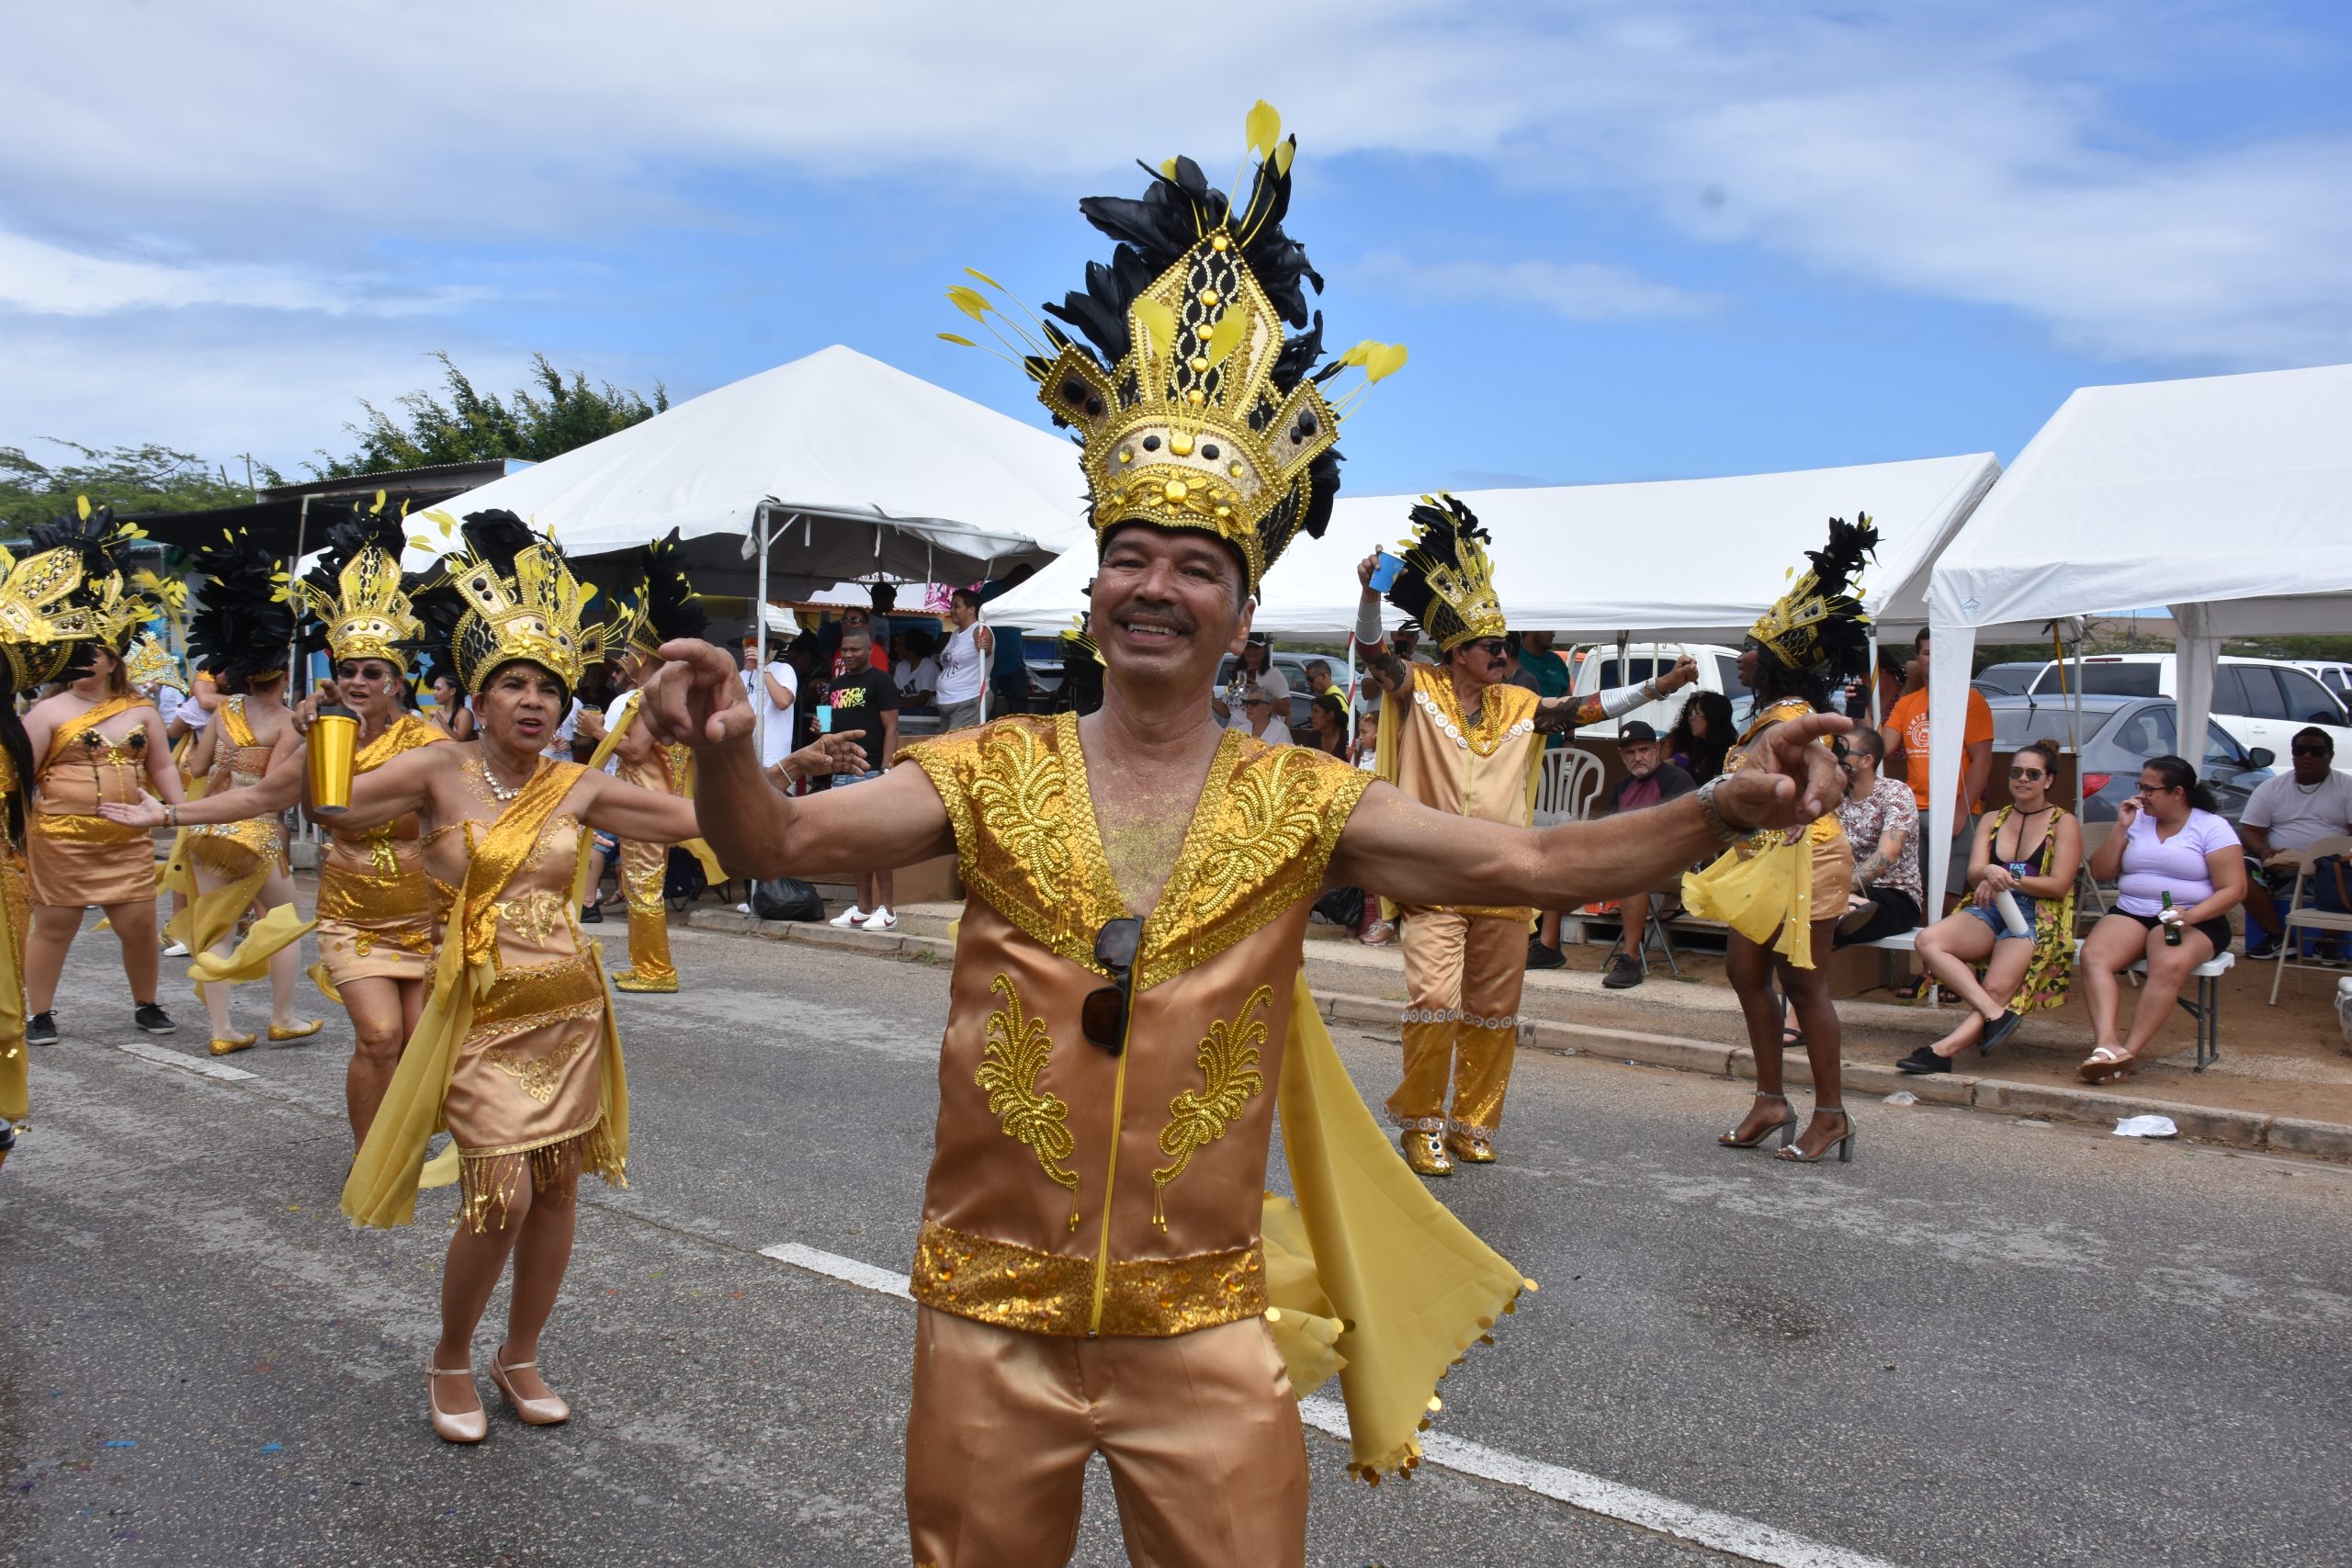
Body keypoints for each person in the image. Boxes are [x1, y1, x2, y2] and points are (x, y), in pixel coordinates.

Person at [659, 115, 1847, 1563]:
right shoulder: (985, 773)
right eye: (1131, 558)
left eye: (1196, 566)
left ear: (1237, 606)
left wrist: (1716, 808)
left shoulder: (1298, 801)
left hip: (1204, 1333)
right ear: (1096, 587)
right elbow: (777, 834)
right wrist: (726, 753)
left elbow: (1535, 869)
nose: (1155, 586)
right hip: (989, 1316)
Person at [330, 513, 739, 1446]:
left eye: (549, 689)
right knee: (498, 1195)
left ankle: (521, 1355)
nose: (533, 701)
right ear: (480, 692)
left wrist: (775, 763)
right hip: (479, 1013)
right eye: (513, 683)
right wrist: (329, 731)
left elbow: (693, 817)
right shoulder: (436, 768)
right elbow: (332, 808)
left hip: (568, 1012)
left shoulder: (577, 785)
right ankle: (449, 1355)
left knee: (557, 1192)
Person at [1358, 495, 1697, 1173]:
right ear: (1457, 651)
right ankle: (1420, 1120)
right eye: (1492, 647)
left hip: (1508, 877)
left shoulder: (1518, 705)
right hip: (1433, 873)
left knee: (1492, 1008)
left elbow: (1585, 705)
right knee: (1433, 999)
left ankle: (1473, 1121)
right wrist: (1369, 594)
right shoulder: (1418, 688)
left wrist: (1657, 687)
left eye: (1506, 646)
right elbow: (1370, 651)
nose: (1505, 655)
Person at [1682, 516, 1876, 1163]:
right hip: (1762, 857)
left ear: (1772, 660)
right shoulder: (1769, 713)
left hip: (1806, 854)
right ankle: (1770, 1099)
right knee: (1743, 970)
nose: (1740, 656)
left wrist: (1818, 796)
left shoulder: (1793, 715)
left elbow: (1826, 770)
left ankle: (1831, 1114)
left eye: (1748, 648)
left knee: (1805, 983)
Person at [21, 502, 185, 1046]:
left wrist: (182, 814)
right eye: (79, 653)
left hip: (127, 835)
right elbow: (20, 774)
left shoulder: (140, 710)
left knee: (138, 926)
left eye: (99, 652)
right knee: (55, 926)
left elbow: (160, 763)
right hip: (62, 837)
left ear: (115, 658)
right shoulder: (46, 713)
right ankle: (40, 1013)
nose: (89, 661)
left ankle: (147, 1003)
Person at [0, 525, 130, 1165]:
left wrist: (167, 811)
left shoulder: (14, 729)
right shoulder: (41, 717)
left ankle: (148, 1000)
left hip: (35, 868)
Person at [164, 527, 322, 1055]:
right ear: (281, 676)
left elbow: (198, 763)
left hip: (208, 827)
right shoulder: (284, 722)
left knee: (216, 928)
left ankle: (221, 1030)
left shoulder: (222, 712)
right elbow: (274, 792)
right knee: (281, 922)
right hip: (255, 830)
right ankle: (283, 1017)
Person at [1894, 739, 2082, 1071]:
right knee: (1929, 941)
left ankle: (1942, 1052)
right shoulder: (1993, 818)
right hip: (1991, 905)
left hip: (2036, 914)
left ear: (2049, 780)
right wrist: (1989, 872)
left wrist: (2004, 878)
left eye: (2033, 774)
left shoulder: (2063, 822)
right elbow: (1973, 871)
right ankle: (1997, 1015)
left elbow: (2059, 886)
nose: (2023, 779)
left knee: (1996, 985)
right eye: (2016, 772)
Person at [593, 533, 726, 994]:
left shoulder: (649, 697)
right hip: (647, 799)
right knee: (637, 884)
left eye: (629, 652)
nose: (623, 659)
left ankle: (656, 970)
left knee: (644, 886)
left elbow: (633, 751)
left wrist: (594, 732)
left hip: (647, 802)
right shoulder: (662, 694)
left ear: (644, 656)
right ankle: (643, 963)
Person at [2075, 755, 2246, 1081]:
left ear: (2178, 793)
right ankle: (2106, 1045)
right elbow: (2101, 872)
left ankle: (2128, 1052)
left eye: (2150, 789)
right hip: (2133, 909)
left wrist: (2191, 915)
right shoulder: (2137, 820)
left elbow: (2234, 889)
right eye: (2140, 787)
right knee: (2094, 956)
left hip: (2195, 916)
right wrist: (2120, 828)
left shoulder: (2210, 826)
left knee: (2166, 962)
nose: (2142, 795)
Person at [1883, 627, 1995, 912]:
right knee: (1916, 894)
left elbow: (1982, 759)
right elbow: (1880, 748)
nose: (1933, 659)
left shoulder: (1971, 699)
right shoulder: (1907, 703)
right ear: (1918, 658)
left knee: (1949, 895)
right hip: (1914, 809)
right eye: (1928, 653)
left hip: (1956, 809)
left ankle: (1949, 950)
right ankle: (1926, 955)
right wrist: (1868, 705)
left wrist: (1961, 811)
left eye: (1939, 653)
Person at [1591, 720, 1697, 988]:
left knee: (1633, 870)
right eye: (1630, 752)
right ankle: (1548, 945)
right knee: (1562, 867)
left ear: (1657, 749)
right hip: (1628, 864)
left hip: (1676, 865)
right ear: (1621, 755)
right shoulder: (1622, 787)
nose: (1638, 757)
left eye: (1644, 750)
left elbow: (1689, 834)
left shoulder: (1677, 780)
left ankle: (1630, 959)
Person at [2238, 727, 2352, 960]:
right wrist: (2264, 851)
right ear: (2293, 755)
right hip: (2281, 866)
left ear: (2330, 755)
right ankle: (2277, 937)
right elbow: (2250, 831)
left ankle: (2327, 941)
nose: (2307, 756)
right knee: (2236, 870)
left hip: (2331, 868)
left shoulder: (2346, 787)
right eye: (2301, 750)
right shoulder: (2271, 787)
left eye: (2316, 751)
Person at [821, 621, 899, 931]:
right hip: (842, 771)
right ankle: (864, 908)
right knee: (854, 844)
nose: (849, 654)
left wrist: (888, 767)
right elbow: (826, 724)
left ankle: (889, 910)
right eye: (845, 650)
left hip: (871, 771)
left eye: (855, 649)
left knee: (877, 844)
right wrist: (821, 727)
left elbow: (892, 727)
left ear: (870, 650)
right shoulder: (835, 685)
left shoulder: (882, 683)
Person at [741, 630, 801, 772]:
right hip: (746, 757)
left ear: (770, 645)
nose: (750, 648)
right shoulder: (741, 676)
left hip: (774, 759)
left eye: (755, 643)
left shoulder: (784, 670)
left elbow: (783, 702)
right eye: (746, 643)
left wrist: (762, 666)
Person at [934, 588, 990, 732]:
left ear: (971, 610)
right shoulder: (956, 634)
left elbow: (986, 648)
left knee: (954, 750)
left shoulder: (979, 629)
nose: (952, 610)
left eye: (957, 606)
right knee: (944, 750)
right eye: (951, 606)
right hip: (948, 702)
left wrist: (983, 645)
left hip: (968, 702)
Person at [1668, 689, 1736, 785]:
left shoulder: (1727, 752)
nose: (1692, 718)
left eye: (1697, 713)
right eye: (1691, 713)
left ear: (1712, 717)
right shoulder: (1700, 746)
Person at [1227, 682, 1293, 746]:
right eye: (1247, 703)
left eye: (1254, 702)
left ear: (1268, 708)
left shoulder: (1280, 731)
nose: (1249, 707)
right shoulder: (1240, 731)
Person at [893, 627, 941, 710]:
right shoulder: (900, 667)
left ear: (911, 647)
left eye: (900, 644)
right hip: (905, 715)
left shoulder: (929, 666)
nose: (896, 648)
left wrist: (893, 703)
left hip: (926, 717)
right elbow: (894, 694)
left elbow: (922, 700)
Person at [425, 671, 476, 741]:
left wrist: (441, 720)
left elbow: (460, 742)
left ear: (452, 691)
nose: (434, 693)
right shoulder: (437, 713)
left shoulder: (464, 714)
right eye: (434, 689)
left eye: (438, 689)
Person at [1303, 690, 1351, 757]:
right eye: (1312, 711)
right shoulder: (1312, 737)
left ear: (1330, 715)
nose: (1312, 716)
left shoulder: (1348, 739)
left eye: (1316, 711)